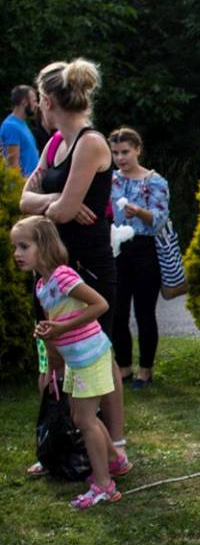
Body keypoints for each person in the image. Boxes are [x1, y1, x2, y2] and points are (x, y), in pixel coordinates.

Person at [19, 58, 127, 450]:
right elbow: (25, 200)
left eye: (39, 101)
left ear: (47, 101)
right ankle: (61, 440)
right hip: (52, 269)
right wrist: (57, 199)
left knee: (99, 355)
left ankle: (116, 444)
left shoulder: (90, 143)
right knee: (53, 354)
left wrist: (59, 204)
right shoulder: (54, 144)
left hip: (88, 268)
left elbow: (64, 212)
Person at [11, 216, 132, 508]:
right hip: (76, 360)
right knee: (81, 416)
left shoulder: (63, 276)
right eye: (15, 247)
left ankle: (104, 485)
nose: (17, 254)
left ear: (44, 245)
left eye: (24, 246)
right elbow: (57, 319)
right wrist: (48, 332)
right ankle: (115, 461)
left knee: (85, 420)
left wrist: (62, 328)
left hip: (91, 355)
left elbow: (100, 304)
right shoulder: (42, 285)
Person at [108, 127, 169, 389]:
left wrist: (140, 212)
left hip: (145, 248)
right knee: (118, 311)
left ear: (138, 150)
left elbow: (160, 218)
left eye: (125, 152)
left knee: (144, 312)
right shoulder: (110, 179)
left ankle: (146, 368)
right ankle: (123, 366)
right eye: (115, 153)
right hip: (117, 248)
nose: (120, 158)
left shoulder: (155, 181)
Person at [1, 85, 40, 176]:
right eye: (34, 101)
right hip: (24, 183)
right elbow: (13, 165)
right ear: (24, 102)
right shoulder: (11, 126)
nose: (36, 105)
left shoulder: (21, 123)